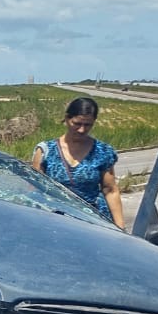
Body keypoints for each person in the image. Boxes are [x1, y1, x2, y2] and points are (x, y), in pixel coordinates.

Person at [33, 96, 124, 227]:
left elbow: (110, 190)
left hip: (94, 221)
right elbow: (36, 190)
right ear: (67, 118)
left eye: (87, 125)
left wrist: (120, 227)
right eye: (77, 123)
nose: (82, 130)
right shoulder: (46, 151)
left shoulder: (103, 152)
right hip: (56, 220)